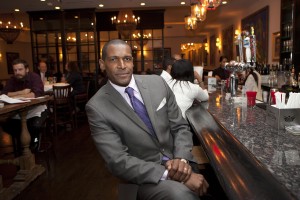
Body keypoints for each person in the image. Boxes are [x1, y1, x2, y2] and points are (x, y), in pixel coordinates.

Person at [86, 39, 209, 200]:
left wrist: (181, 160)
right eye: (114, 59)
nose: (122, 65)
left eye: (127, 59)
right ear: (102, 64)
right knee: (181, 196)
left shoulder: (157, 83)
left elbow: (180, 127)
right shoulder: (97, 107)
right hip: (147, 178)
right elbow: (118, 161)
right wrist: (175, 175)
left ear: (133, 61)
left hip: (181, 159)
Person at [2, 59, 48, 154]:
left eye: (20, 69)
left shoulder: (34, 77)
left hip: (36, 109)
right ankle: (24, 144)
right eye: (15, 70)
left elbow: (34, 94)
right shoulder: (12, 80)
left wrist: (13, 95)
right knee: (5, 125)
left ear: (27, 69)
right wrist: (22, 92)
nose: (17, 72)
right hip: (18, 112)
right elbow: (4, 94)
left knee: (34, 126)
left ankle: (34, 142)